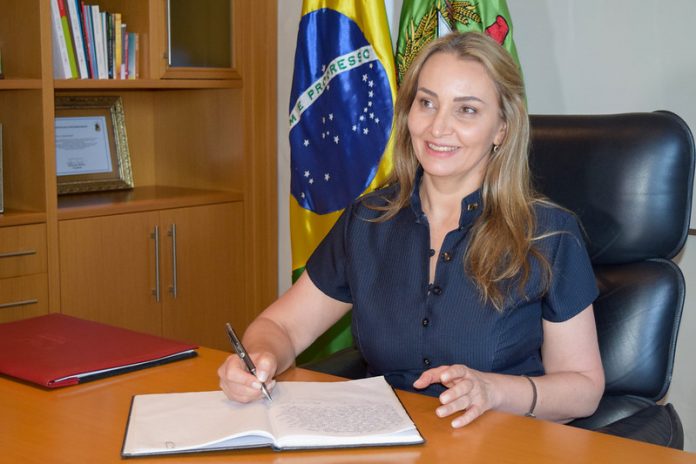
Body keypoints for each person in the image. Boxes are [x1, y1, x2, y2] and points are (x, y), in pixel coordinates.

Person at [218, 31, 604, 428]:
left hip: (500, 439)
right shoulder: (368, 220)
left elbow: (584, 388)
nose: (438, 127)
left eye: (466, 110)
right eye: (427, 103)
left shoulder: (548, 233)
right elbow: (280, 326)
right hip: (382, 439)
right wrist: (259, 358)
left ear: (502, 129)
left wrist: (493, 391)